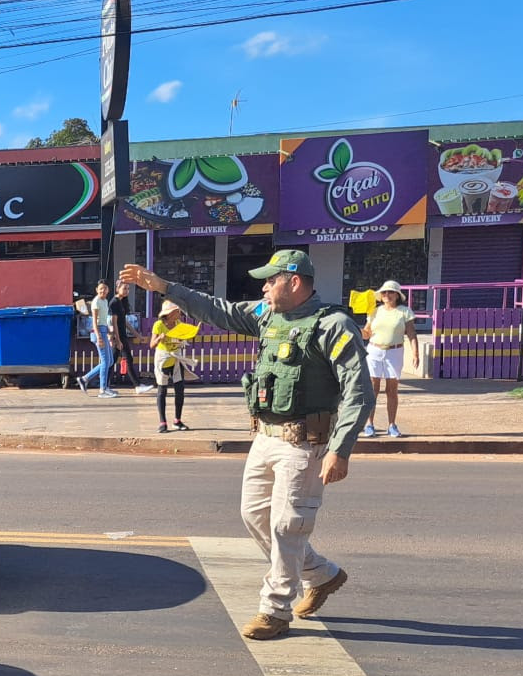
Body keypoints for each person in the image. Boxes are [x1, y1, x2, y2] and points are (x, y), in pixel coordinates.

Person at [121, 250, 374, 641]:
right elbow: (216, 309)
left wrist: (341, 449)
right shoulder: (267, 315)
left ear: (294, 281)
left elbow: (358, 389)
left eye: (270, 280)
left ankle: (274, 610)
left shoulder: (333, 325)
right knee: (255, 517)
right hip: (265, 436)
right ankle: (321, 575)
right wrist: (162, 286)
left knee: (287, 526)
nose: (263, 287)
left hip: (304, 443)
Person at [361, 280, 420, 437]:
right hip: (374, 350)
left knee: (391, 390)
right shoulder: (374, 311)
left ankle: (392, 424)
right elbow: (366, 333)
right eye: (384, 292)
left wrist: (415, 353)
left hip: (394, 352)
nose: (387, 295)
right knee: (372, 389)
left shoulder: (404, 312)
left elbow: (411, 333)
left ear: (397, 295)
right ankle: (369, 424)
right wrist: (359, 331)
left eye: (391, 292)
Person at [79, 280, 149, 397]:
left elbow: (107, 320)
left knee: (110, 361)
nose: (103, 290)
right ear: (97, 289)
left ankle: (85, 379)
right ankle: (102, 389)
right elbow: (96, 322)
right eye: (101, 288)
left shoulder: (105, 301)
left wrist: (110, 333)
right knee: (107, 361)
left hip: (105, 330)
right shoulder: (98, 302)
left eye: (105, 288)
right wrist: (102, 336)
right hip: (100, 332)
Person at [150, 300, 195, 433]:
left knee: (180, 389)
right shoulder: (158, 325)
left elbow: (182, 338)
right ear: (169, 314)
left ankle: (177, 420)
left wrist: (184, 339)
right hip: (163, 359)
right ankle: (162, 422)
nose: (179, 313)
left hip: (176, 358)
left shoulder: (178, 324)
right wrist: (159, 338)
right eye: (177, 312)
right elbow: (152, 344)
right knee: (162, 390)